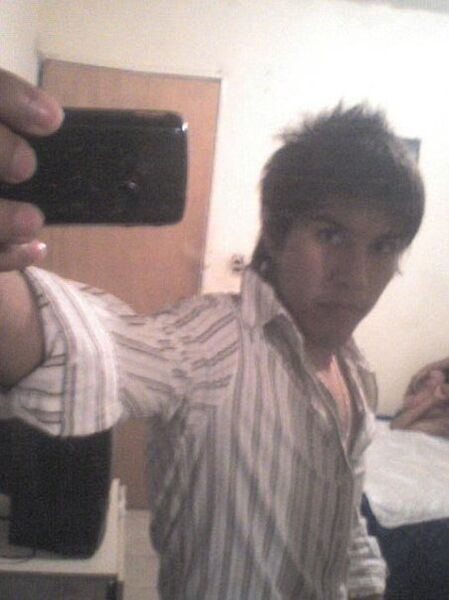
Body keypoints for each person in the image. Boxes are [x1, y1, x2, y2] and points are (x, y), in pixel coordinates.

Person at [0, 67, 425, 599]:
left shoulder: (356, 373)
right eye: (331, 234)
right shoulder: (212, 346)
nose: (357, 276)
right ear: (276, 232)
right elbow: (84, 345)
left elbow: (345, 518)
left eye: (383, 247)